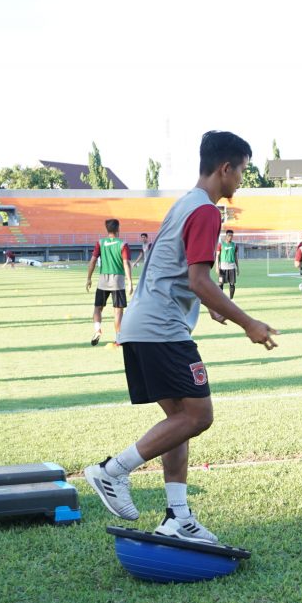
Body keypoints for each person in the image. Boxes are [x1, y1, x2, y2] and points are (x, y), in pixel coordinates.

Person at [83, 131, 278, 544]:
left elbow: (180, 272)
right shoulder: (207, 211)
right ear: (225, 168)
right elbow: (199, 278)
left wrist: (204, 300)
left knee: (180, 422)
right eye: (242, 170)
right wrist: (249, 324)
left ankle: (178, 516)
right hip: (161, 330)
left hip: (140, 326)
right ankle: (112, 471)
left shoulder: (184, 203)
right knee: (198, 416)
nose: (242, 179)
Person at [84, 218, 136, 347]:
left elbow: (93, 261)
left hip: (103, 280)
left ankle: (97, 330)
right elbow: (126, 263)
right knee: (118, 311)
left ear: (107, 229)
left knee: (98, 308)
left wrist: (89, 278)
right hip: (117, 281)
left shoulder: (100, 243)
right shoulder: (123, 244)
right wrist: (130, 282)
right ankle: (118, 339)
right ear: (118, 229)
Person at [216, 227, 239, 299]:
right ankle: (220, 299)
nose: (230, 237)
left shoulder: (234, 245)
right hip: (223, 267)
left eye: (232, 236)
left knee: (232, 284)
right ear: (226, 236)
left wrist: (238, 267)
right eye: (229, 235)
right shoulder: (221, 244)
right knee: (220, 283)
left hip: (231, 267)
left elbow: (235, 256)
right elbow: (217, 256)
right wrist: (217, 267)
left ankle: (231, 299)